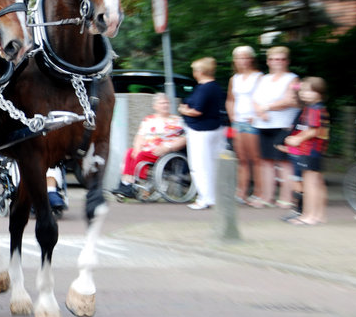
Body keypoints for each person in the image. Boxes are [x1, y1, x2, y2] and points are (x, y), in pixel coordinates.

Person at [112, 93, 187, 200]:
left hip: (163, 152)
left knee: (141, 155)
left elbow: (184, 138)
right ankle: (125, 184)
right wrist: (137, 147)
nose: (165, 105)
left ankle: (131, 185)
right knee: (130, 152)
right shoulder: (148, 120)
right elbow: (140, 136)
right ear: (155, 106)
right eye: (162, 103)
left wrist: (168, 147)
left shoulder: (177, 120)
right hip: (147, 150)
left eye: (167, 103)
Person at [251, 46, 300, 208]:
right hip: (263, 124)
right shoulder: (263, 79)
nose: (276, 62)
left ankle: (287, 197)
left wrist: (266, 108)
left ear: (287, 61)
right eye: (273, 59)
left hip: (284, 125)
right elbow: (254, 98)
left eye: (280, 59)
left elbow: (290, 100)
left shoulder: (293, 79)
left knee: (285, 163)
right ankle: (267, 196)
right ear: (268, 61)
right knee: (266, 161)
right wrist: (258, 109)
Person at [178, 57, 225, 210]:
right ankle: (215, 196)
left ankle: (204, 198)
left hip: (199, 131)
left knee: (199, 166)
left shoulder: (204, 88)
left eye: (195, 70)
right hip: (215, 128)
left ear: (200, 71)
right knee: (212, 164)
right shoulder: (216, 87)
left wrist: (183, 109)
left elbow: (197, 111)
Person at [283, 77, 329, 225]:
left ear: (319, 93)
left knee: (310, 184)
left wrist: (297, 140)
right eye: (302, 90)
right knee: (317, 183)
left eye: (309, 91)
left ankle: (308, 216)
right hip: (316, 151)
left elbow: (313, 130)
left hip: (310, 150)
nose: (304, 94)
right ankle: (318, 215)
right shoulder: (318, 108)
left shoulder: (314, 109)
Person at [225, 46, 263, 206]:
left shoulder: (259, 77)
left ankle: (259, 192)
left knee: (256, 159)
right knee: (242, 159)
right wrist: (233, 117)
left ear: (251, 59)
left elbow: (263, 99)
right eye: (239, 58)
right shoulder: (234, 79)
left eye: (245, 57)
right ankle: (241, 191)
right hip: (238, 122)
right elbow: (230, 100)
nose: (242, 61)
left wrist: (256, 116)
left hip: (252, 122)